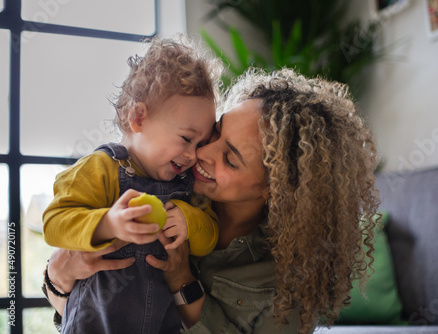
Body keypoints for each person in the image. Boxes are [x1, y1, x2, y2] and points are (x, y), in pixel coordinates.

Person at [44, 67, 380, 334]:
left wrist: (181, 280)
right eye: (215, 133)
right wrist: (58, 278)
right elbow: (95, 308)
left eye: (230, 159)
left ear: (274, 189)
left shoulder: (290, 280)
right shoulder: (162, 176)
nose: (200, 153)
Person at [42, 37, 222, 333]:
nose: (193, 155)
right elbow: (54, 223)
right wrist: (107, 224)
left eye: (201, 143)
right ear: (138, 118)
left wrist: (191, 221)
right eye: (186, 139)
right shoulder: (100, 168)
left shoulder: (188, 184)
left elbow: (211, 234)